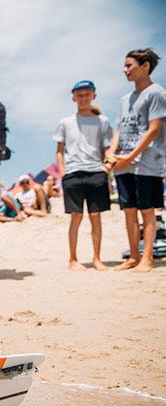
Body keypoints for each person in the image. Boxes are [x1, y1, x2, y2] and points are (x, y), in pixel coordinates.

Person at [107, 48, 165, 272]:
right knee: (129, 210)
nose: (125, 70)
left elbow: (153, 130)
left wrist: (130, 157)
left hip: (147, 162)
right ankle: (133, 256)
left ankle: (147, 258)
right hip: (123, 163)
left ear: (145, 66)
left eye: (129, 65)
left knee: (147, 210)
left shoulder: (156, 93)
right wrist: (112, 154)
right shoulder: (125, 99)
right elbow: (120, 129)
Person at [54, 80, 113, 271]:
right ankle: (73, 259)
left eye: (87, 94)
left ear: (94, 95)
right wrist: (63, 174)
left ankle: (97, 258)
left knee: (96, 217)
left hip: (97, 172)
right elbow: (59, 151)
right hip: (73, 173)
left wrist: (107, 171)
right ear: (74, 98)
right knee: (76, 217)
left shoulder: (102, 121)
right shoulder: (65, 122)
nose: (83, 98)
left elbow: (107, 149)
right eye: (79, 95)